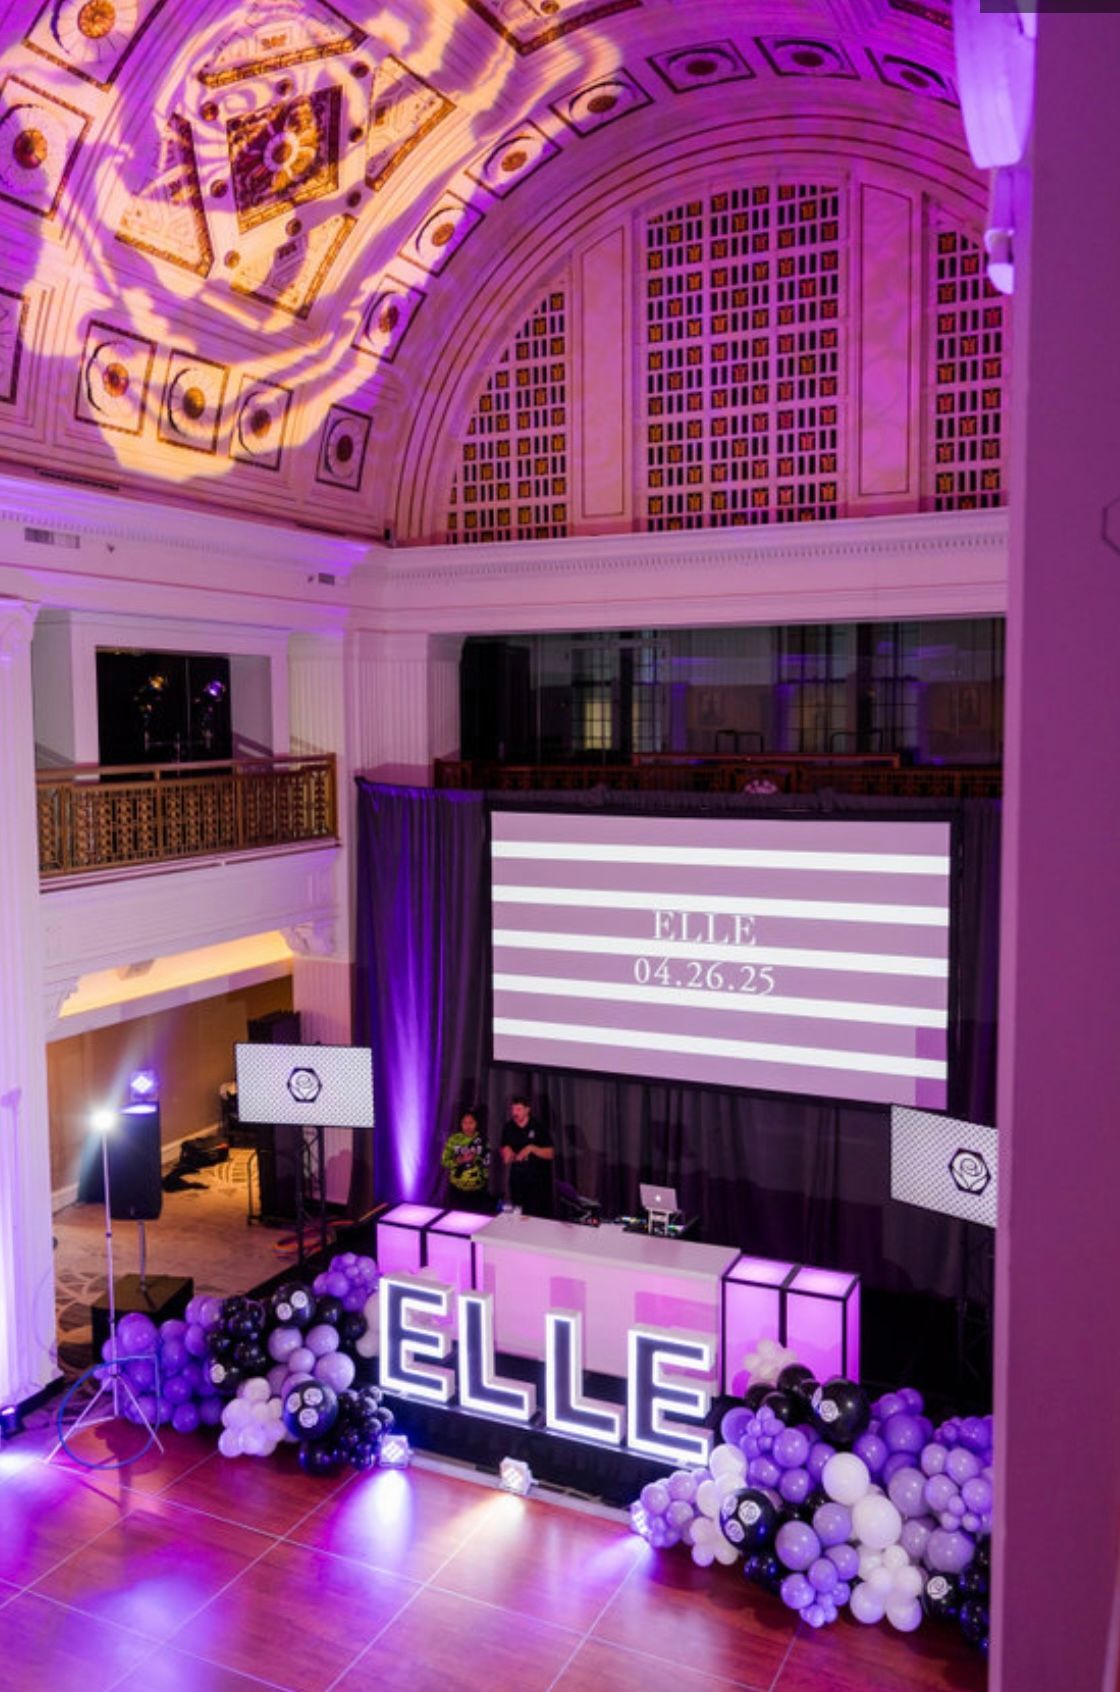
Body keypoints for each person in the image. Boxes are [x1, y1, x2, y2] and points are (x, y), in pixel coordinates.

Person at [500, 1096, 555, 1218]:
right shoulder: (508, 1127)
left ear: (527, 1110)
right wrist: (506, 1153)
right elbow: (504, 1150)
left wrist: (532, 1148)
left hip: (537, 1181)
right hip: (516, 1180)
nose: (515, 1113)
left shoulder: (538, 1126)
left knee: (535, 1216)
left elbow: (550, 1153)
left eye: (518, 1109)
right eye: (513, 1109)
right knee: (517, 1215)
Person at [440, 1108, 491, 1211]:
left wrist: (475, 1158)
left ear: (476, 1123)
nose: (467, 1126)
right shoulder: (454, 1139)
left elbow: (487, 1163)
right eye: (464, 1123)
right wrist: (459, 1161)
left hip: (477, 1191)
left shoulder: (483, 1140)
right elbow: (444, 1161)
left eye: (471, 1122)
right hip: (457, 1189)